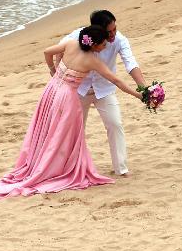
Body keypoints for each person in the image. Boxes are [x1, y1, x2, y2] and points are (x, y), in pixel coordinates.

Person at [0, 25, 143, 200]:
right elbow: (116, 80)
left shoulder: (71, 44)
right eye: (102, 45)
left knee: (48, 129)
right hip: (67, 96)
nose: (104, 47)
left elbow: (47, 52)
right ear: (94, 45)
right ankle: (58, 168)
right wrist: (138, 95)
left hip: (51, 90)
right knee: (64, 134)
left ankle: (46, 163)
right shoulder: (93, 61)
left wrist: (53, 69)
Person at [58, 10, 147, 176]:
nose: (113, 34)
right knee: (75, 129)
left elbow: (130, 63)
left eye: (115, 29)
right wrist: (56, 73)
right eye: (109, 32)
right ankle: (71, 168)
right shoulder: (78, 36)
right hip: (79, 90)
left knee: (115, 124)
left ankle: (121, 168)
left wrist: (145, 89)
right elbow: (57, 50)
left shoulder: (120, 39)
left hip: (105, 89)